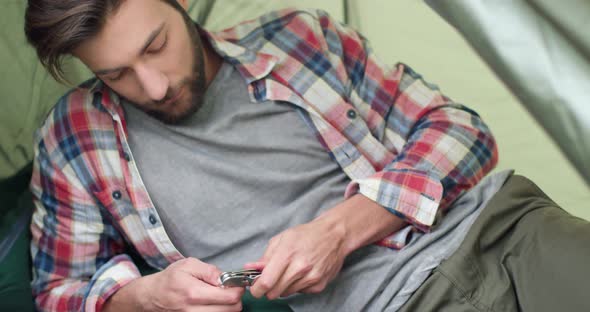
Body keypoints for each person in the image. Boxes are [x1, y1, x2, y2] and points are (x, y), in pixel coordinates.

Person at [23, 0, 590, 311]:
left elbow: (462, 132)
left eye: (156, 45)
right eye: (115, 73)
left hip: (505, 232)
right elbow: (60, 293)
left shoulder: (298, 36)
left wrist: (340, 231)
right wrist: (141, 298)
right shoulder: (73, 140)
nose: (152, 86)